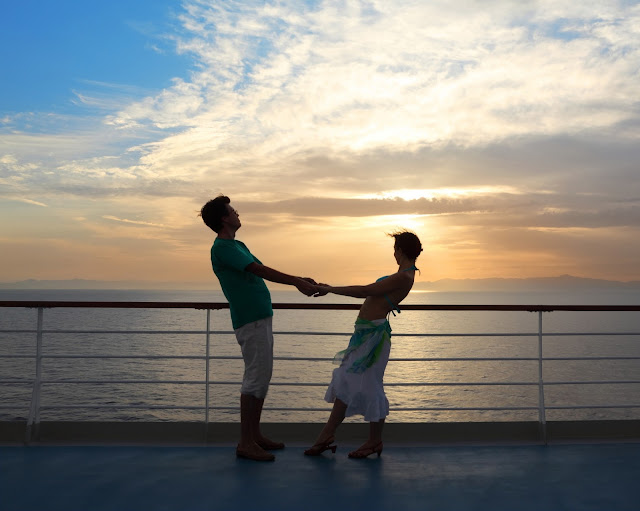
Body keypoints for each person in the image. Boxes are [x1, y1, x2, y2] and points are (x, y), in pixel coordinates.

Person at [200, 195, 317, 461]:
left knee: (262, 376)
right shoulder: (223, 248)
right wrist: (297, 281)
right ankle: (245, 443)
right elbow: (259, 270)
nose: (237, 213)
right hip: (250, 319)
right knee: (255, 377)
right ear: (223, 218)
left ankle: (255, 436)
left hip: (258, 316)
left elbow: (259, 269)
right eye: (233, 210)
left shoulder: (237, 244)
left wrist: (300, 279)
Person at [304, 230, 422, 458]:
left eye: (395, 249)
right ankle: (340, 437)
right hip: (366, 336)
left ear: (400, 251)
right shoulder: (401, 275)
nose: (394, 254)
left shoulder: (404, 277)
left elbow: (366, 291)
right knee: (350, 382)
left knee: (364, 384)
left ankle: (362, 440)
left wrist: (329, 289)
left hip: (373, 340)